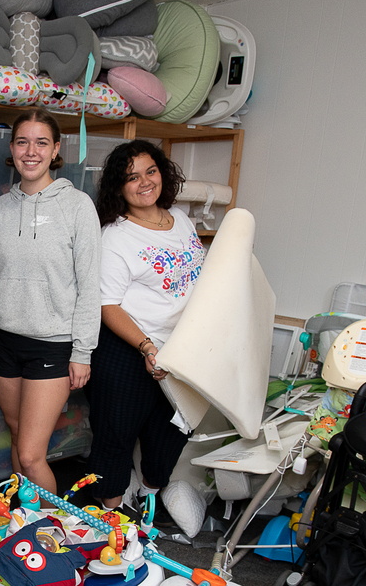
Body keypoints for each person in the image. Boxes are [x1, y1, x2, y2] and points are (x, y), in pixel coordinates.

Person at [0, 108, 101, 496]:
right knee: (16, 437)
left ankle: (52, 531)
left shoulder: (77, 206)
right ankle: (22, 526)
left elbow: (90, 286)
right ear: (11, 149)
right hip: (2, 343)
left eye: (41, 142)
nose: (31, 151)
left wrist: (83, 351)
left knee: (31, 454)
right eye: (23, 142)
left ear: (56, 149)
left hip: (53, 344)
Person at [85, 139, 205, 523]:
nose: (144, 183)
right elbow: (107, 305)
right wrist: (147, 346)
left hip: (179, 349)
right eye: (131, 178)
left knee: (170, 433)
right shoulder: (116, 236)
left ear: (162, 173)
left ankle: (147, 505)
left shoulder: (180, 219)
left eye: (150, 171)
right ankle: (111, 519)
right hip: (127, 349)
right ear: (119, 188)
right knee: (115, 436)